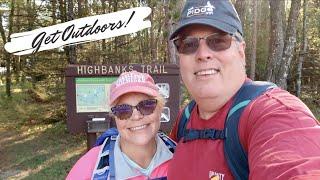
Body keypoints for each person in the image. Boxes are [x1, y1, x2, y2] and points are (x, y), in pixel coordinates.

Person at [167, 0, 320, 179]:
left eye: (218, 41)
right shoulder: (185, 118)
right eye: (189, 44)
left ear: (241, 52)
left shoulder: (276, 114)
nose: (202, 54)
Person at [67, 71, 176, 180]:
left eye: (147, 105)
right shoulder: (89, 169)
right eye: (123, 110)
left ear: (160, 108)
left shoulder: (183, 157)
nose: (136, 117)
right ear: (115, 116)